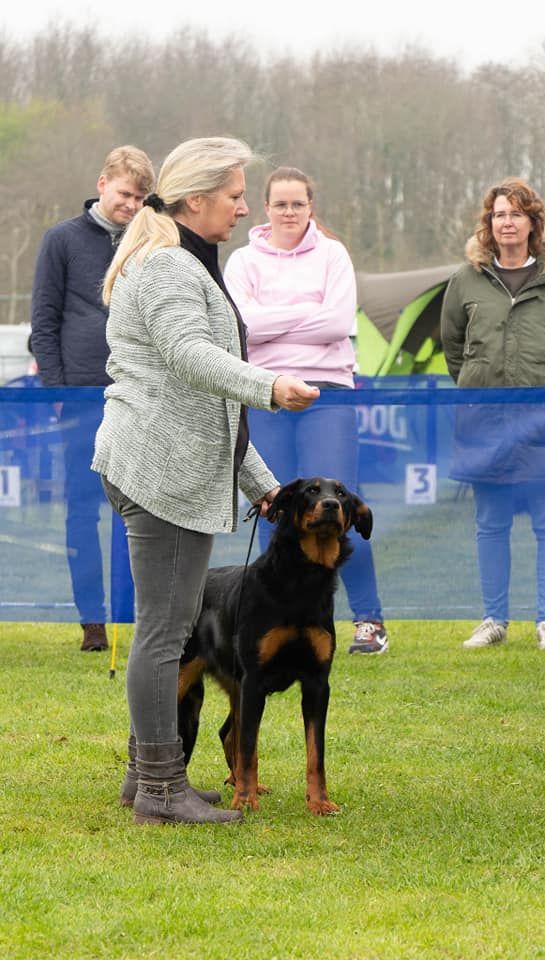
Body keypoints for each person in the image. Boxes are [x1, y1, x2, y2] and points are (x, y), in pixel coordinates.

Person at [91, 136, 319, 826]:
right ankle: (161, 789)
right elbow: (193, 359)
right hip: (156, 473)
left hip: (172, 464)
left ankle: (144, 778)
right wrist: (270, 385)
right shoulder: (165, 269)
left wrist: (264, 487)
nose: (244, 207)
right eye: (233, 195)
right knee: (164, 634)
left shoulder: (185, 265)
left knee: (167, 628)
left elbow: (207, 404)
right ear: (196, 200)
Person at [224, 166, 388, 655]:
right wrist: (307, 315)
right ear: (265, 207)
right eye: (280, 204)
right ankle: (272, 616)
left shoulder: (333, 255)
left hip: (327, 394)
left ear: (311, 207)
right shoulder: (242, 260)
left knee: (340, 513)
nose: (289, 212)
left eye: (298, 204)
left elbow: (339, 321)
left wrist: (274, 321)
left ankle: (368, 622)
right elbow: (241, 326)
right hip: (265, 393)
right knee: (274, 508)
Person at [441, 176, 545, 652]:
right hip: (484, 422)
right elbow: (453, 347)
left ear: (533, 222)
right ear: (489, 223)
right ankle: (493, 619)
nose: (507, 222)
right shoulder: (465, 279)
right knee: (491, 523)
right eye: (499, 214)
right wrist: (480, 385)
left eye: (516, 214)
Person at [31, 145, 156, 651]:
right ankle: (92, 621)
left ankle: (132, 611)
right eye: (125, 194)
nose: (131, 205)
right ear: (102, 183)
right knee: (82, 509)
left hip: (138, 395)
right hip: (81, 397)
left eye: (141, 198)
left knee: (137, 506)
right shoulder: (61, 239)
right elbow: (45, 322)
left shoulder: (150, 244)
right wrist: (59, 393)